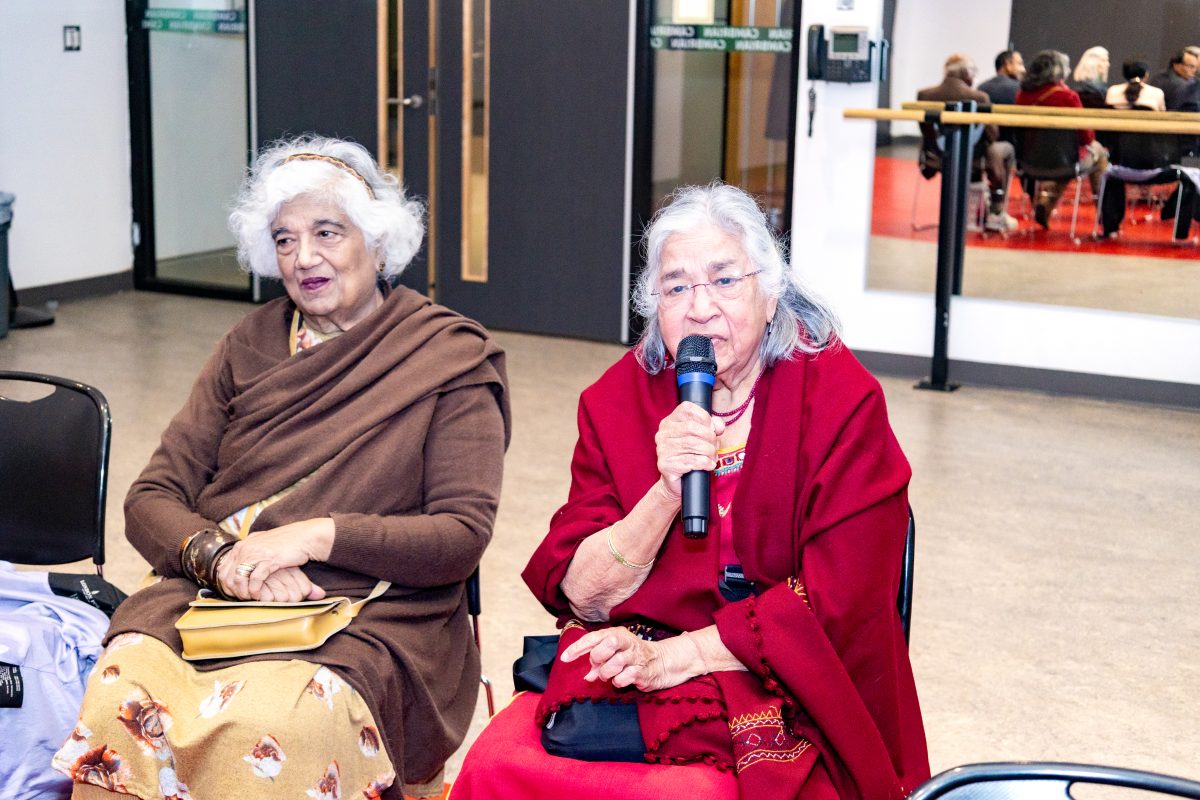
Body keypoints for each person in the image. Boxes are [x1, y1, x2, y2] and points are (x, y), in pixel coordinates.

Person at [50, 136, 511, 800]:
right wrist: (221, 560)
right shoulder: (251, 343)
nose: (304, 257)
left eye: (327, 232)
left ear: (379, 242)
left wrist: (315, 537)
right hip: (216, 594)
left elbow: (459, 535)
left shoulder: (446, 356)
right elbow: (152, 495)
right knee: (121, 690)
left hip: (371, 611)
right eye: (284, 240)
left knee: (274, 721)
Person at [453, 183, 928, 800]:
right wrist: (664, 493)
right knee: (496, 763)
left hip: (793, 677)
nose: (700, 308)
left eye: (724, 280)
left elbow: (842, 599)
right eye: (676, 288)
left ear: (770, 292)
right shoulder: (616, 400)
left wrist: (677, 659)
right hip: (638, 656)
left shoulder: (841, 399)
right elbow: (582, 595)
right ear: (654, 306)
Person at [918, 53, 1018, 231]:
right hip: (973, 159)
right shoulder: (979, 97)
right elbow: (992, 135)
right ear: (967, 73)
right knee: (1006, 149)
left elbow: (926, 131)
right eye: (974, 72)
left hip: (935, 157)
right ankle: (997, 209)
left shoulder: (924, 95)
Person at [1016, 50, 1110, 230]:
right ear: (1058, 71)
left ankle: (1046, 204)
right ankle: (1105, 215)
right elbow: (1086, 137)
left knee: (1066, 161)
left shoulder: (1022, 95)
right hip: (1064, 162)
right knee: (1097, 153)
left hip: (1028, 162)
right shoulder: (1067, 96)